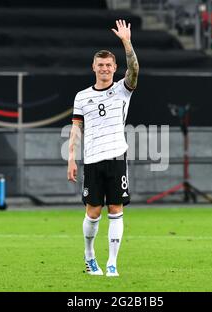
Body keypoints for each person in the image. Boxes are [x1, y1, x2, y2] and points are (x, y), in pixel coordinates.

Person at [67, 20, 139, 277]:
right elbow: (76, 128)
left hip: (117, 156)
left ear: (115, 68)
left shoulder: (123, 90)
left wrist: (126, 42)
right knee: (93, 211)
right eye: (101, 65)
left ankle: (112, 263)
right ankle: (89, 256)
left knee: (116, 209)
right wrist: (71, 158)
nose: (105, 68)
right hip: (93, 159)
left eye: (109, 65)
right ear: (94, 68)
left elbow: (135, 69)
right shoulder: (81, 96)